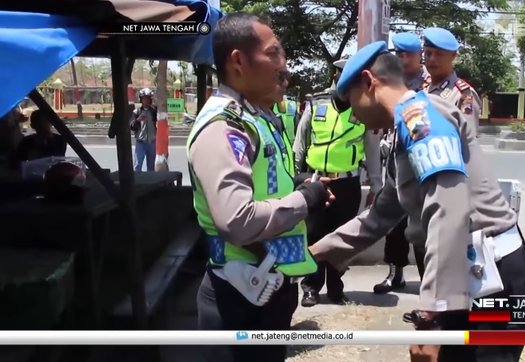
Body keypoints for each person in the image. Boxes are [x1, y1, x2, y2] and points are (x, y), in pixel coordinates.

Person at [309, 41, 525, 362]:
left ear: (369, 83)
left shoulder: (421, 117)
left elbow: (448, 210)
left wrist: (430, 317)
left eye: (352, 101)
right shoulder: (403, 128)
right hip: (473, 278)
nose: (353, 114)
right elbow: (382, 212)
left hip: (498, 279)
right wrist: (319, 251)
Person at [188, 13, 334, 362]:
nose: (283, 65)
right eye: (274, 54)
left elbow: (261, 182)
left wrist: (295, 185)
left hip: (262, 288)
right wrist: (303, 199)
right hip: (237, 298)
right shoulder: (224, 126)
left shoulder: (252, 117)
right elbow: (237, 220)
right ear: (238, 61)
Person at [292, 57, 383, 307]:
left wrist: (376, 186)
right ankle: (310, 287)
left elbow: (373, 152)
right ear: (335, 78)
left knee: (342, 238)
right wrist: (296, 179)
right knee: (313, 233)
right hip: (315, 181)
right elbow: (300, 145)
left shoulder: (363, 109)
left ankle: (336, 288)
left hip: (348, 184)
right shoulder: (316, 104)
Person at [373, 31, 431, 294]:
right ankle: (394, 274)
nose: (404, 59)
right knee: (394, 226)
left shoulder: (429, 85)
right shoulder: (391, 83)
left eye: (409, 54)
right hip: (395, 162)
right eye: (399, 54)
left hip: (422, 166)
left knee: (422, 229)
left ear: (420, 56)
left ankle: (427, 284)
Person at [423, 27, 483, 137]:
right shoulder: (424, 90)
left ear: (453, 56)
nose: (432, 59)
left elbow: (468, 141)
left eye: (439, 54)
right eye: (428, 53)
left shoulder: (463, 95)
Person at [130, 88, 157, 171]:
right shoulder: (136, 112)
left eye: (148, 98)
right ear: (141, 99)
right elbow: (132, 127)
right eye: (144, 98)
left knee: (151, 167)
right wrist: (138, 120)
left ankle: (150, 183)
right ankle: (136, 183)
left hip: (152, 143)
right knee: (137, 166)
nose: (146, 100)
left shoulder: (154, 112)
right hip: (140, 143)